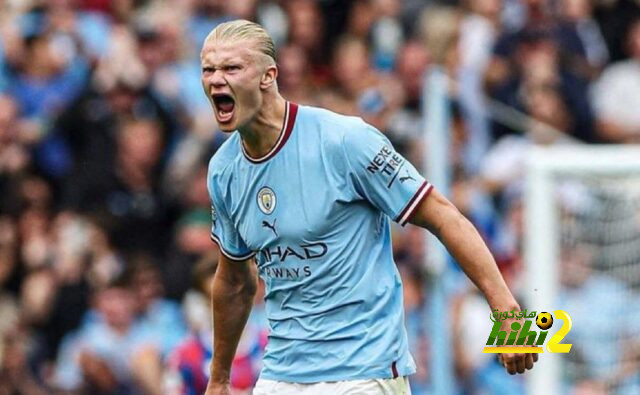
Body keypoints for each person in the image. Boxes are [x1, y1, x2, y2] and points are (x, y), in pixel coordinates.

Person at [201, 20, 536, 395]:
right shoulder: (224, 170)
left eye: (231, 68)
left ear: (268, 76)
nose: (216, 79)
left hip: (364, 370)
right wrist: (219, 379)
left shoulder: (344, 140)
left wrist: (507, 311)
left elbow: (443, 216)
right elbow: (233, 281)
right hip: (281, 373)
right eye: (208, 69)